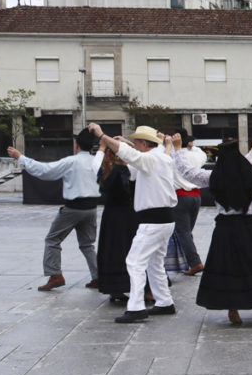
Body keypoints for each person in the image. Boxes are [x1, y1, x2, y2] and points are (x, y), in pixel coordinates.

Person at [172, 133, 252, 324]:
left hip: (226, 228)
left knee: (228, 267)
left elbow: (188, 172)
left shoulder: (214, 176)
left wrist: (178, 149)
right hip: (249, 227)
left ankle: (233, 310)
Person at [88, 123, 177, 324]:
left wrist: (103, 135)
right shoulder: (162, 157)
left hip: (153, 220)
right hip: (164, 219)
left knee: (135, 262)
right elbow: (133, 163)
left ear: (144, 144)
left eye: (137, 143)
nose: (135, 147)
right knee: (155, 262)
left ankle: (136, 307)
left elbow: (132, 156)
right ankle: (164, 301)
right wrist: (126, 143)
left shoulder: (151, 159)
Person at [8, 128, 102, 291]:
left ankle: (55, 275)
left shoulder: (72, 161)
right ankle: (98, 276)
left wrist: (20, 157)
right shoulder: (96, 161)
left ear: (77, 146)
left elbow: (44, 171)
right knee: (87, 245)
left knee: (52, 240)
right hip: (91, 208)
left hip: (73, 208)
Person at [95, 138, 135, 303]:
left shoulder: (105, 169)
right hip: (128, 214)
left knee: (112, 249)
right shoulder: (125, 169)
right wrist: (128, 144)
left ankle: (114, 289)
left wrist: (104, 146)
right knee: (128, 249)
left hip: (111, 215)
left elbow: (95, 166)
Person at [171, 130, 208, 276]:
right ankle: (189, 261)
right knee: (187, 232)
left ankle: (195, 262)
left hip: (180, 196)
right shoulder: (197, 155)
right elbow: (201, 152)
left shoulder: (173, 155)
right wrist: (191, 145)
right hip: (196, 197)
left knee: (183, 232)